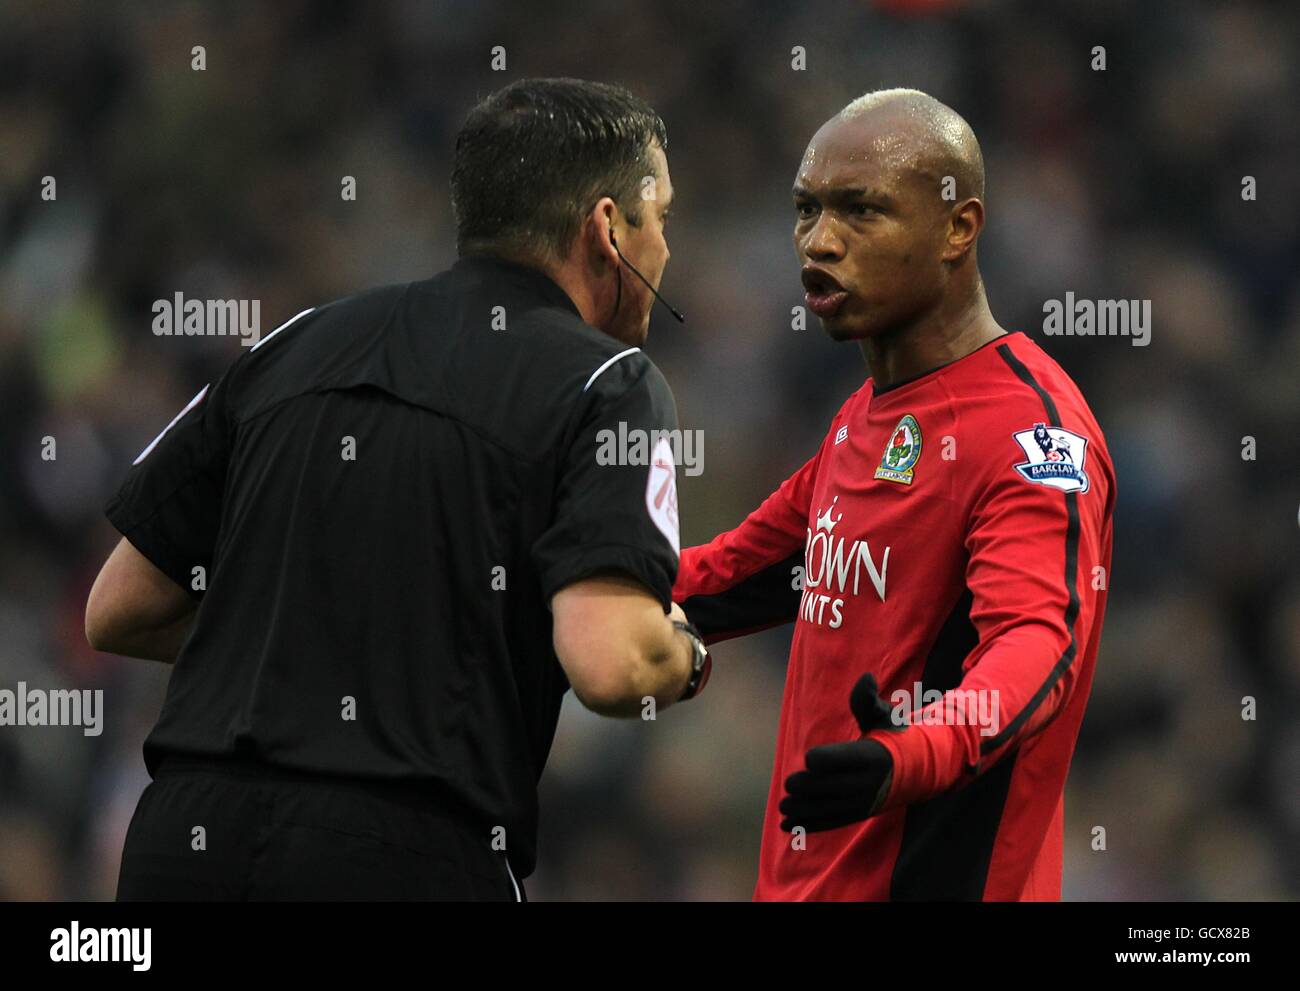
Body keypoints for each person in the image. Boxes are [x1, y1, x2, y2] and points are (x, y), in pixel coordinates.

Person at [85, 77, 709, 902]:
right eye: (660, 215)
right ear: (606, 228)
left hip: (182, 844)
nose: (666, 246)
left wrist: (317, 652)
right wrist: (687, 657)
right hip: (403, 852)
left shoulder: (295, 343)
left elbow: (119, 605)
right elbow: (610, 660)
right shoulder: (609, 382)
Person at [674, 89, 1115, 901]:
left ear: (959, 226)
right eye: (806, 210)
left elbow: (1035, 647)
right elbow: (728, 575)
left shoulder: (1032, 434)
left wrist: (906, 753)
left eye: (860, 211)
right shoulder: (862, 418)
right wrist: (555, 574)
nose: (819, 241)